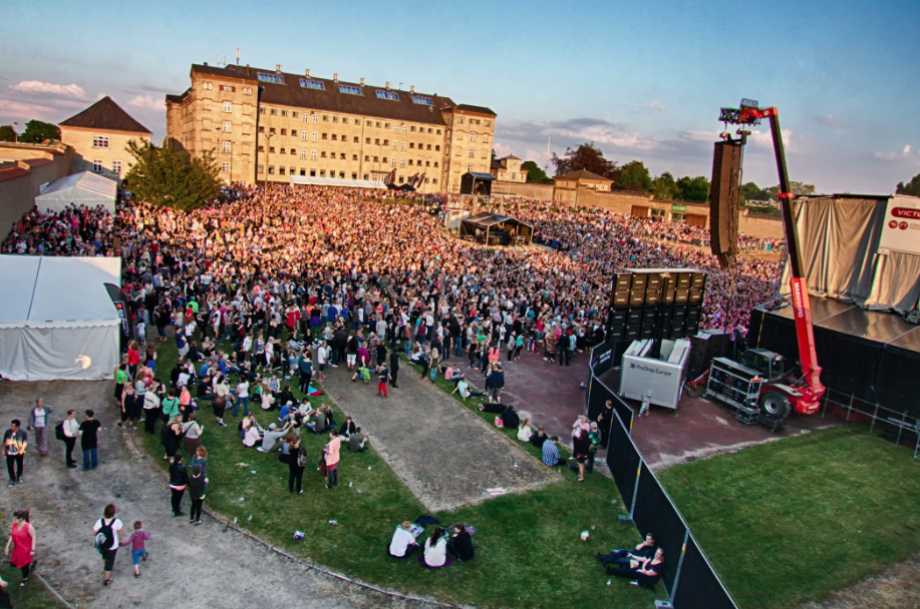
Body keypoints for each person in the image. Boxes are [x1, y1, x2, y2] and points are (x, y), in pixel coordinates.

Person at [93, 503, 125, 586]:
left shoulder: (100, 521)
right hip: (112, 546)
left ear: (104, 512)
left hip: (102, 545)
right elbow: (121, 532)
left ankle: (105, 564)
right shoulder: (117, 522)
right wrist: (121, 540)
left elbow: (94, 532)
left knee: (105, 556)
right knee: (109, 563)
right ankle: (107, 579)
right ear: (113, 513)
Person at [4, 510, 35, 587]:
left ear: (21, 519)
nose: (13, 520)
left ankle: (25, 578)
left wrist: (33, 550)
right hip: (17, 549)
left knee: (24, 566)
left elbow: (34, 537)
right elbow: (12, 534)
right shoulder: (15, 524)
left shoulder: (29, 527)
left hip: (25, 551)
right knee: (15, 562)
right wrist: (7, 546)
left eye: (15, 518)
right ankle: (30, 564)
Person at [3, 420, 27, 486]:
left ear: (17, 427)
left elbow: (25, 442)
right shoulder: (8, 432)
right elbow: (5, 441)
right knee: (10, 466)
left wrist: (22, 450)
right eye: (11, 425)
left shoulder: (23, 433)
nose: (11, 427)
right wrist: (4, 450)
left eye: (13, 426)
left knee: (20, 465)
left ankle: (19, 476)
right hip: (10, 452)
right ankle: (12, 479)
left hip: (19, 452)